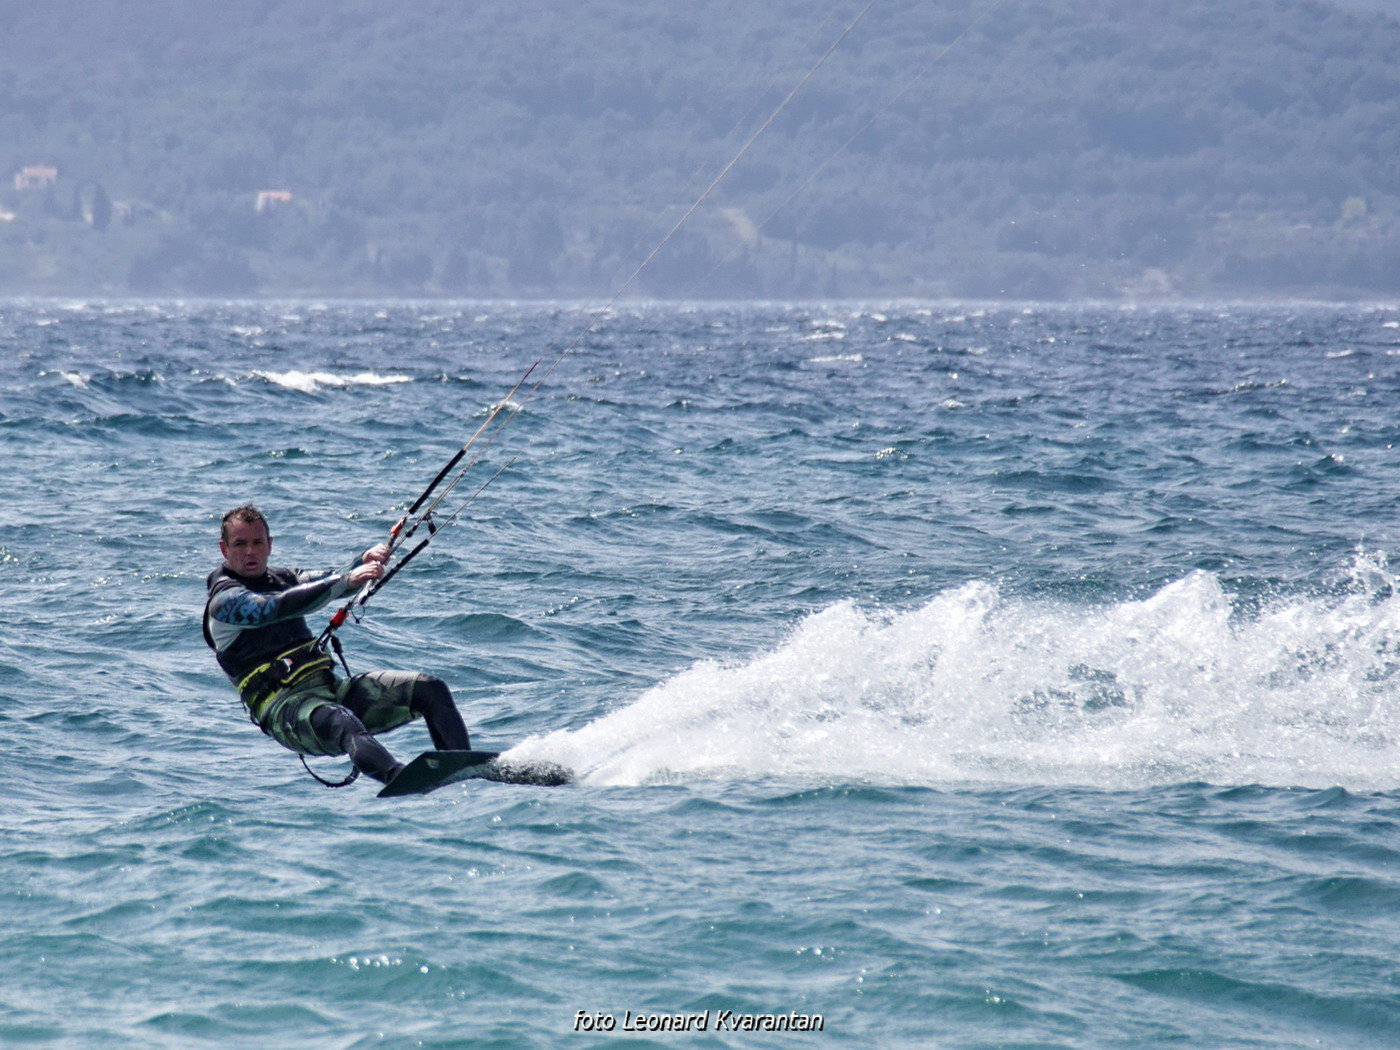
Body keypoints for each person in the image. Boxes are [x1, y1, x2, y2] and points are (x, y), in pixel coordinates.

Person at [203, 503, 471, 785]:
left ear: (270, 544)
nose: (250, 551)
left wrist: (362, 562)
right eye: (240, 544)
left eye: (257, 542)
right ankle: (402, 779)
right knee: (343, 721)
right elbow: (275, 606)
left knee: (431, 689)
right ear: (224, 549)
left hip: (332, 691)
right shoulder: (224, 603)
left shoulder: (286, 578)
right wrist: (346, 580)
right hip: (286, 712)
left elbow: (329, 578)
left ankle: (463, 769)